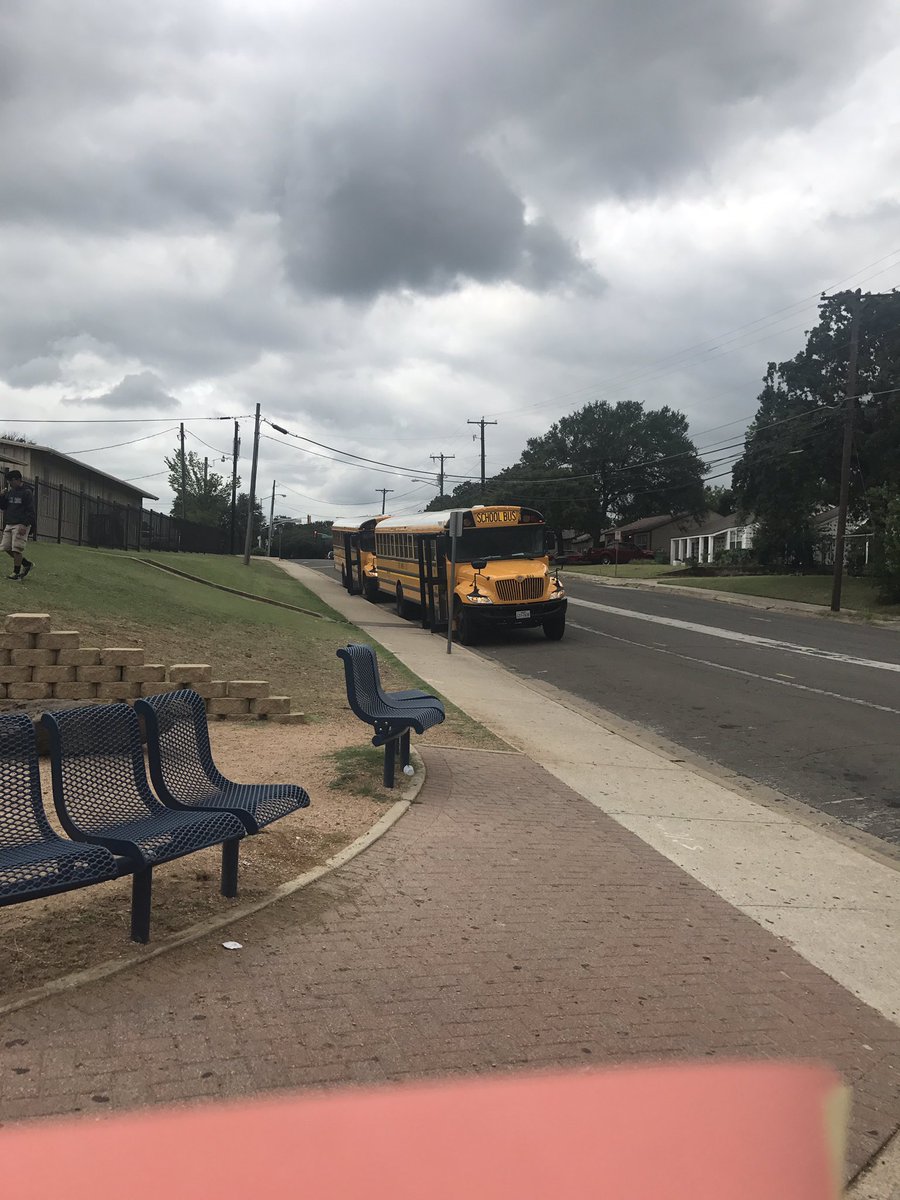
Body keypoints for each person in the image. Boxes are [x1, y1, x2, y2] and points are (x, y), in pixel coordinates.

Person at [0, 469, 36, 580]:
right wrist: (1, 496)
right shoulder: (10, 492)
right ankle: (26, 564)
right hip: (10, 523)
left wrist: (25, 525)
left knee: (16, 549)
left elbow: (31, 511)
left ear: (17, 480)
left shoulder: (26, 492)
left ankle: (16, 573)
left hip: (21, 524)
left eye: (10, 481)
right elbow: (3, 506)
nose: (9, 484)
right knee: (6, 547)